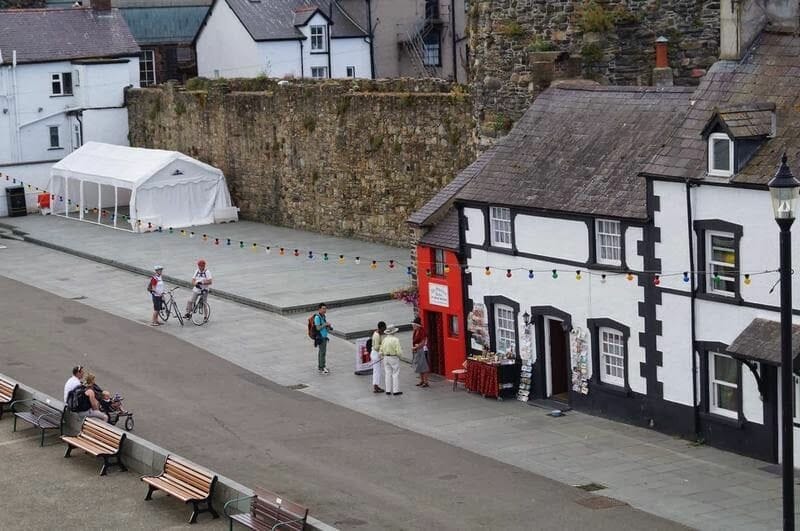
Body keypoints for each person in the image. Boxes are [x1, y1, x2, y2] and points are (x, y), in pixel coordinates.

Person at [380, 326, 402, 396]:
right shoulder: (396, 340)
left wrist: (382, 355)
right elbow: (398, 351)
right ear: (394, 332)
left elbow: (381, 350)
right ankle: (395, 390)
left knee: (387, 373)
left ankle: (388, 390)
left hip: (386, 357)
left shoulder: (384, 339)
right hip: (393, 357)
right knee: (395, 373)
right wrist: (399, 356)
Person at [314, 303, 333, 374]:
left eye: (325, 308)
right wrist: (325, 324)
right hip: (320, 337)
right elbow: (318, 328)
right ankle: (322, 367)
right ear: (319, 309)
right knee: (322, 352)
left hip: (324, 336)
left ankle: (321, 366)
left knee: (322, 352)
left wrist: (328, 326)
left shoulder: (323, 316)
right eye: (323, 308)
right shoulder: (317, 317)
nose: (325, 310)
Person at [411, 316, 430, 387]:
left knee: (424, 366)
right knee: (419, 365)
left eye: (414, 325)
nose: (413, 326)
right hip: (417, 350)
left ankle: (426, 382)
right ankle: (421, 380)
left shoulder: (422, 331)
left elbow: (423, 342)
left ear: (417, 325)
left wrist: (416, 347)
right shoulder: (415, 331)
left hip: (422, 350)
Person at [370, 321, 387, 393]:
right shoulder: (377, 335)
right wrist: (384, 346)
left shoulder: (377, 333)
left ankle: (376, 386)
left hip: (375, 353)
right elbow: (376, 347)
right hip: (375, 354)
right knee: (377, 371)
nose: (384, 331)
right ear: (381, 328)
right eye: (384, 329)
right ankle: (376, 387)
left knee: (376, 371)